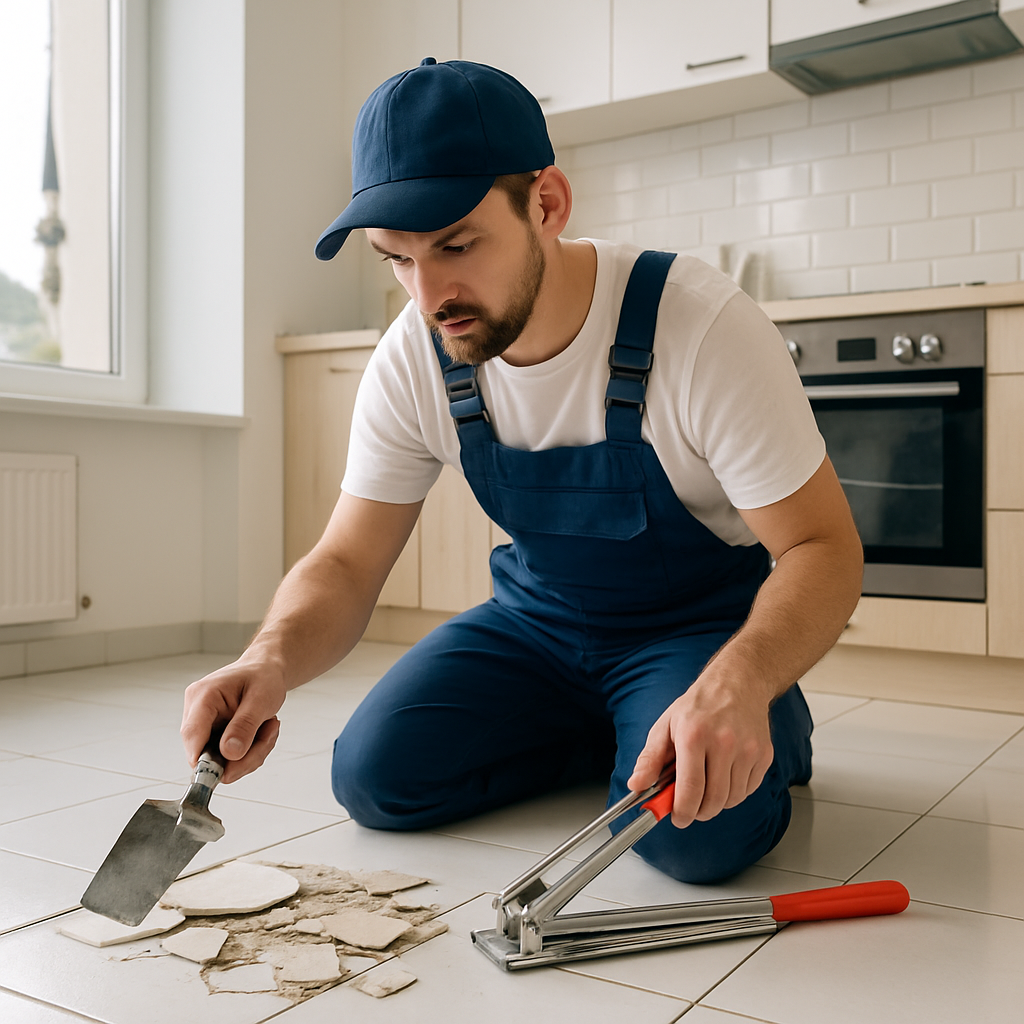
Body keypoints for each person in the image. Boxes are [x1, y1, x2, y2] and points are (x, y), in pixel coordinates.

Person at [181, 58, 862, 883]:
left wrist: (743, 678)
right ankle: (625, 731)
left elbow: (824, 548)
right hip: (538, 626)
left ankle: (751, 715)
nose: (428, 294)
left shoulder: (700, 325)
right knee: (374, 779)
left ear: (547, 203)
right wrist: (268, 659)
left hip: (695, 632)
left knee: (693, 840)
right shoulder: (418, 352)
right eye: (395, 258)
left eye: (455, 245)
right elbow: (349, 559)